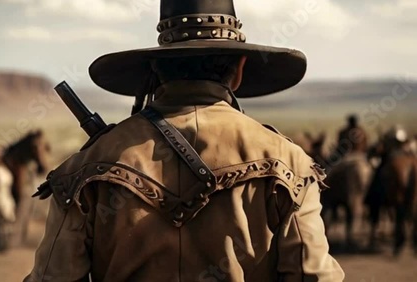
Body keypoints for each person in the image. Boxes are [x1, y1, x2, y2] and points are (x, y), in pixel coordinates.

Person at [24, 0, 344, 281]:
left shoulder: (83, 169)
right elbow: (313, 276)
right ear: (240, 69)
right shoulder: (289, 163)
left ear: (156, 68)